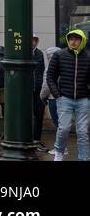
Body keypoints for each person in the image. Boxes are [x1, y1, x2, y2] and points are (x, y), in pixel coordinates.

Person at [46, 27, 90, 161]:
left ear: (82, 41)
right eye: (71, 39)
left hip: (83, 100)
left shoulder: (88, 56)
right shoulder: (60, 55)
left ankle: (84, 158)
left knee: (83, 132)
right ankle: (59, 152)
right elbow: (50, 77)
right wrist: (57, 95)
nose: (73, 42)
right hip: (64, 98)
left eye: (77, 39)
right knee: (64, 129)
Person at [31, 36, 47, 143]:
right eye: (32, 40)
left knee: (39, 114)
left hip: (39, 89)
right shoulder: (23, 53)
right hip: (26, 90)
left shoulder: (40, 54)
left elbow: (44, 71)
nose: (34, 42)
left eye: (36, 40)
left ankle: (37, 138)